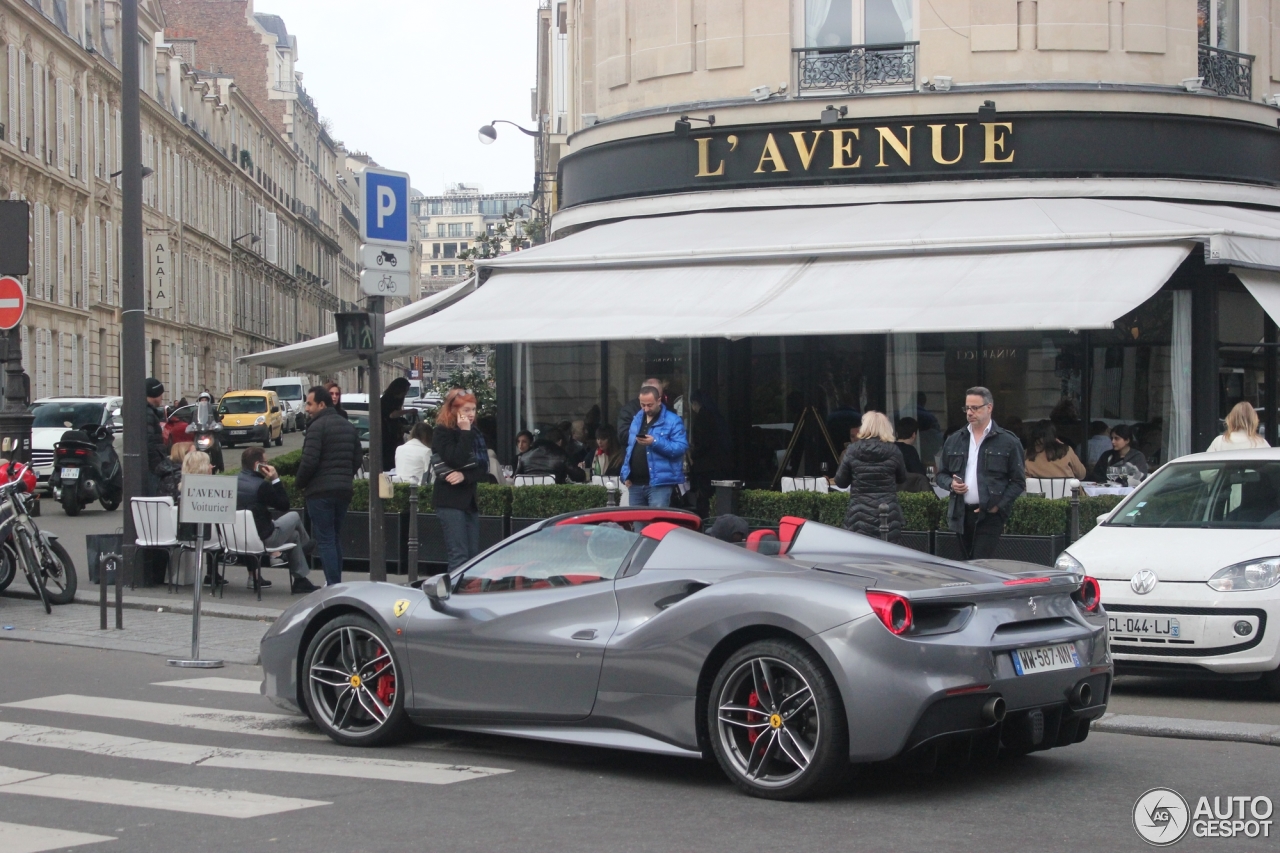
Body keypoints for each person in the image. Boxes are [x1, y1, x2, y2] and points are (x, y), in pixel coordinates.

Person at [935, 387, 1026, 560]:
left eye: (975, 408)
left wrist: (998, 505)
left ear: (989, 408)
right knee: (965, 563)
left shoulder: (1008, 441)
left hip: (990, 515)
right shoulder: (955, 440)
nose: (970, 413)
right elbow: (941, 475)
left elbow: (1018, 481)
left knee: (980, 562)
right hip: (961, 513)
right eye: (967, 408)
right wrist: (951, 484)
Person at [295, 385, 363, 586]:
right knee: (334, 537)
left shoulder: (317, 427)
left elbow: (309, 461)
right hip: (343, 490)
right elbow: (357, 458)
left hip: (320, 491)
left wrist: (299, 483)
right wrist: (344, 475)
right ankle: (336, 582)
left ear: (321, 405)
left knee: (325, 539)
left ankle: (333, 585)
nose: (306, 408)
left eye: (309, 404)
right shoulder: (347, 425)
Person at [237, 447, 317, 593]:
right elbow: (284, 505)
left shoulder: (234, 482)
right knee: (293, 516)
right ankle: (307, 546)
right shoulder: (261, 486)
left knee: (294, 536)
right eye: (265, 462)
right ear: (257, 465)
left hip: (238, 538)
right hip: (264, 538)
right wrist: (275, 479)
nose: (268, 465)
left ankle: (301, 580)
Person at [834, 411, 908, 542]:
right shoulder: (894, 450)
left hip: (859, 515)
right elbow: (902, 478)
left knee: (860, 558)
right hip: (888, 514)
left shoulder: (852, 450)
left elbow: (840, 482)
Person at [433, 389, 483, 569]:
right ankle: (454, 594)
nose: (471, 414)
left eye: (473, 410)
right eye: (466, 410)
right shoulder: (442, 432)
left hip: (469, 500)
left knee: (473, 556)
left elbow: (483, 468)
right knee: (459, 554)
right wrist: (465, 433)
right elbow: (455, 458)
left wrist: (465, 475)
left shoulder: (474, 433)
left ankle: (468, 593)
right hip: (449, 500)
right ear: (453, 410)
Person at [621, 384, 689, 508]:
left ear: (659, 400)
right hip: (634, 484)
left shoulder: (673, 420)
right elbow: (630, 448)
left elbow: (681, 447)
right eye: (642, 405)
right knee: (638, 526)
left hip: (660, 485)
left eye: (649, 405)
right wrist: (625, 474)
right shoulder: (637, 419)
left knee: (656, 524)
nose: (646, 409)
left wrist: (655, 442)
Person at [516, 427, 587, 483]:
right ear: (559, 443)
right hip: (554, 497)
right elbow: (579, 477)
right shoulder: (561, 456)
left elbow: (516, 478)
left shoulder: (524, 457)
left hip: (529, 497)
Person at [380, 377, 411, 471]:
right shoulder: (388, 400)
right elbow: (392, 415)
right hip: (387, 436)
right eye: (405, 391)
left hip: (391, 435)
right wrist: (408, 411)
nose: (405, 393)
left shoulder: (394, 399)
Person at [144, 377, 168, 496]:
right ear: (155, 394)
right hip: (152, 464)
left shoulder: (148, 411)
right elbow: (149, 441)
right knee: (153, 494)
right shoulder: (147, 413)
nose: (161, 397)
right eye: (160, 394)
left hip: (151, 462)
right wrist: (158, 463)